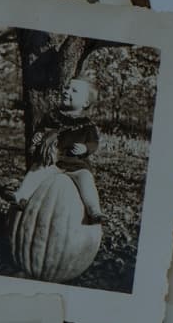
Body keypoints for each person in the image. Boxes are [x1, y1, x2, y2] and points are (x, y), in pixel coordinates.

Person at [12, 77, 104, 226]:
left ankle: (93, 209)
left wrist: (85, 148)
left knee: (86, 180)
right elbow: (41, 130)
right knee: (36, 171)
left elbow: (94, 143)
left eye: (74, 91)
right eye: (67, 88)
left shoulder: (87, 125)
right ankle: (22, 196)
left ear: (85, 102)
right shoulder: (52, 116)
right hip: (52, 162)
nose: (67, 91)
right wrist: (38, 137)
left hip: (76, 165)